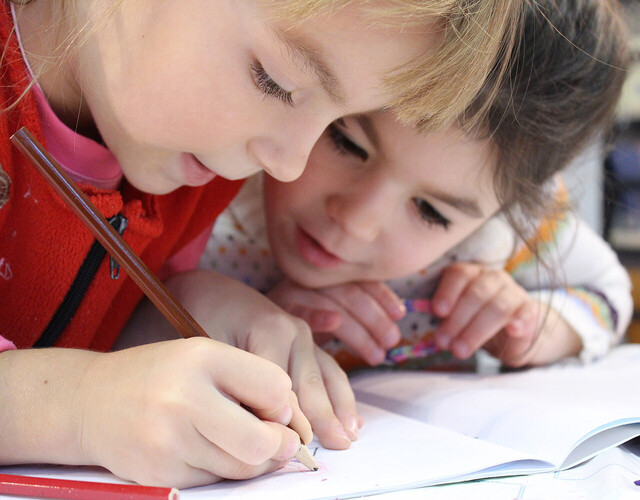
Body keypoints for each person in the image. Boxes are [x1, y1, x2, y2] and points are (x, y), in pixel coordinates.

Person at [0, 0, 523, 489]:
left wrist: (177, 315)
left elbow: (64, 332)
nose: (289, 163)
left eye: (332, 123)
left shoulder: (194, 167)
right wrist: (81, 407)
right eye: (275, 82)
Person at [200, 0, 632, 374]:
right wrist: (230, 318)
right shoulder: (211, 179)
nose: (356, 221)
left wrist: (537, 327)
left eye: (432, 212)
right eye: (346, 143)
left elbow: (610, 293)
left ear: (507, 210)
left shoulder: (510, 235)